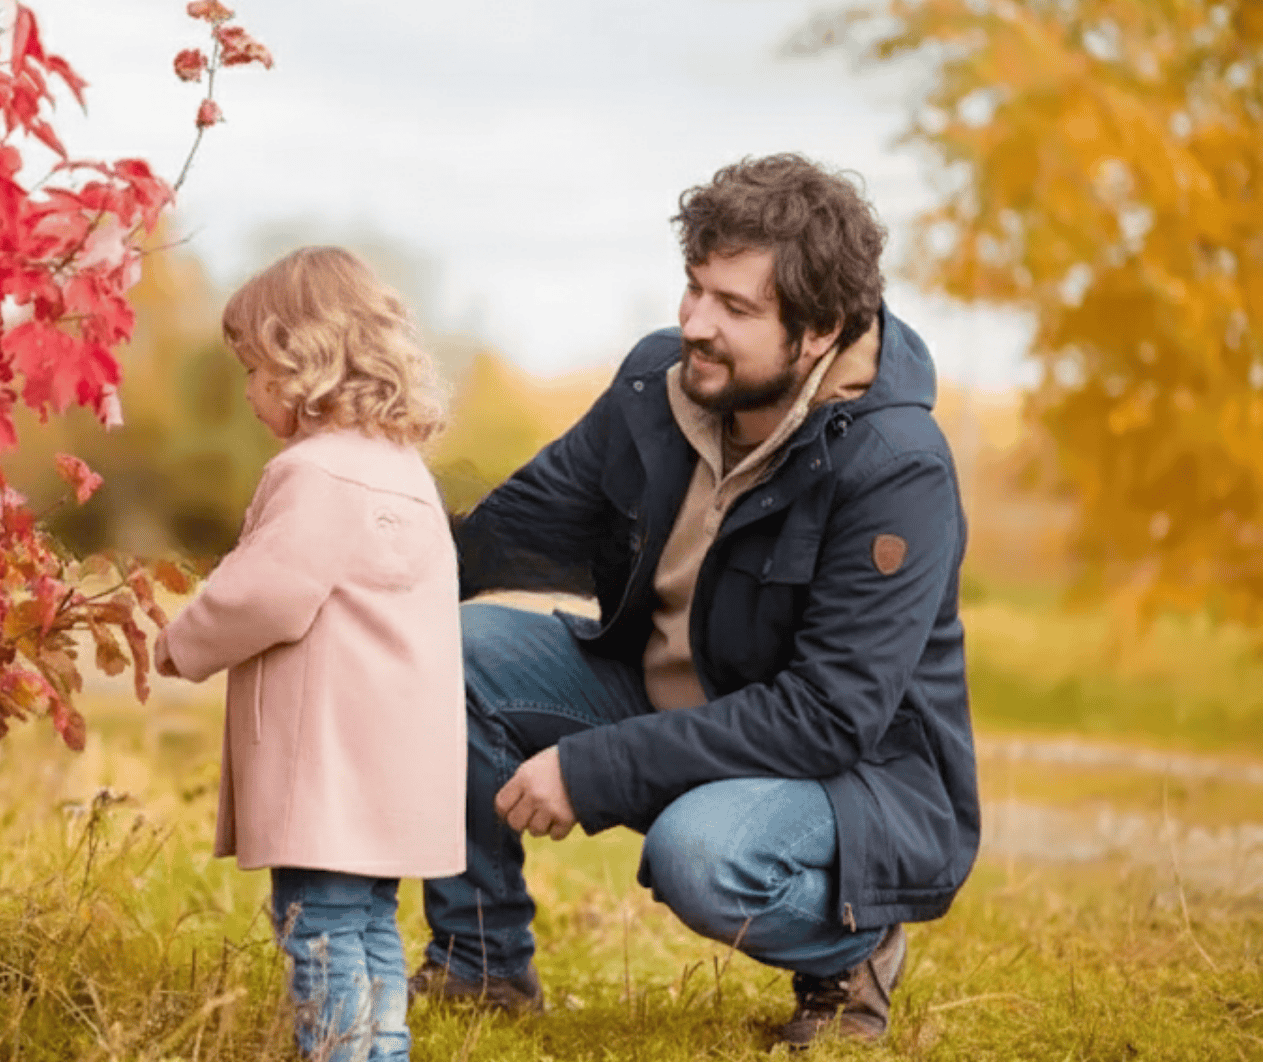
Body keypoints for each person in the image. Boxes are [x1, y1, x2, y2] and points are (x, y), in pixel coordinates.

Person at [411, 154, 978, 1048]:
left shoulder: (897, 467)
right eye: (695, 289)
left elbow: (829, 717)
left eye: (737, 309)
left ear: (821, 329)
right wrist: (352, 569)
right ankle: (481, 966)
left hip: (845, 776)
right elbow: (513, 527)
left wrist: (593, 770)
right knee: (450, 650)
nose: (695, 326)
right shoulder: (657, 387)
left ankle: (852, 949)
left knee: (701, 855)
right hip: (671, 699)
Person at [154, 246, 465, 1062]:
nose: (251, 392)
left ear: (304, 366)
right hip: (392, 775)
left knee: (316, 928)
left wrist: (178, 645)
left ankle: (337, 1052)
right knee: (367, 922)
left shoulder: (313, 474)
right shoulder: (406, 473)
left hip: (326, 773)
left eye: (256, 372)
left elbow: (263, 591)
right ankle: (380, 1050)